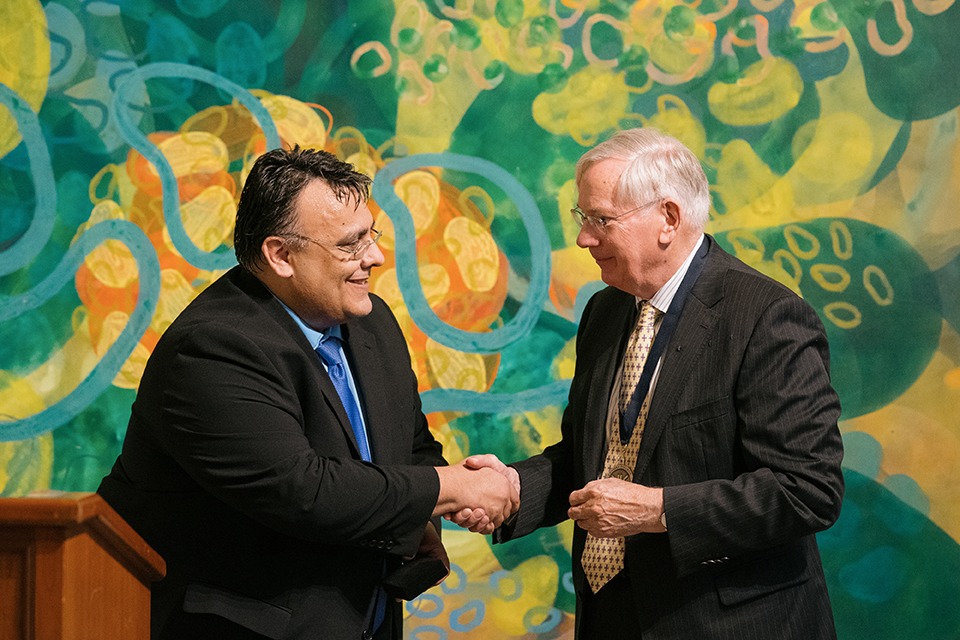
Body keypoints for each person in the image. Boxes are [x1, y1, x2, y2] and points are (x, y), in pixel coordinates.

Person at [97, 146, 517, 640]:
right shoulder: (213, 348)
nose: (375, 257)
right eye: (349, 244)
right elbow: (304, 491)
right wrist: (452, 489)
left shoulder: (372, 322)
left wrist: (420, 512)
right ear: (281, 255)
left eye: (371, 235)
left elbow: (410, 445)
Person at [460, 128, 845, 638]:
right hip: (610, 615)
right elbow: (590, 457)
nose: (583, 238)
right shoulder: (603, 309)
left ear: (668, 218)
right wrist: (512, 487)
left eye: (601, 220)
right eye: (582, 218)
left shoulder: (766, 317)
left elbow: (807, 491)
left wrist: (659, 510)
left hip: (724, 622)